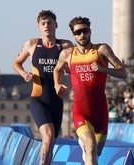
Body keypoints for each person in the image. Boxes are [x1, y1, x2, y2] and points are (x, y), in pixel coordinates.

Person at [53, 16, 127, 165]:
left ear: (90, 31)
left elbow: (123, 73)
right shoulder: (68, 54)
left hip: (100, 110)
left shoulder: (101, 50)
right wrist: (57, 84)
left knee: (96, 151)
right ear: (73, 35)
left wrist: (103, 69)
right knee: (91, 146)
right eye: (78, 32)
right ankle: (86, 145)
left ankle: (86, 149)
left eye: (85, 31)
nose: (82, 35)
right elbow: (57, 70)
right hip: (81, 109)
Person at [12, 10, 73, 165]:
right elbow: (16, 63)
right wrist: (24, 74)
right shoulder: (32, 44)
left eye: (50, 23)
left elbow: (73, 66)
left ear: (56, 25)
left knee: (52, 140)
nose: (47, 26)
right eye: (43, 24)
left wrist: (68, 69)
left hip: (57, 100)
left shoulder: (65, 45)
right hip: (38, 98)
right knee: (48, 136)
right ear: (39, 27)